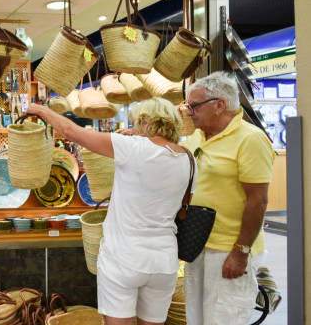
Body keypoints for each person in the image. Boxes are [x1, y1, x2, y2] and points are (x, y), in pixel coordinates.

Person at [26, 97, 195, 325]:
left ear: (146, 122)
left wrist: (40, 110)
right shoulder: (188, 158)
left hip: (123, 257)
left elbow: (71, 131)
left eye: (136, 123)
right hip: (163, 260)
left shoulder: (133, 148)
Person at [181, 72, 275, 325]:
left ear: (219, 104)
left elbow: (258, 201)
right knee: (196, 318)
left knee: (225, 318)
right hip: (197, 244)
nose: (189, 112)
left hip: (229, 249)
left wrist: (241, 252)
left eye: (194, 106)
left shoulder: (250, 139)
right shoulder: (197, 136)